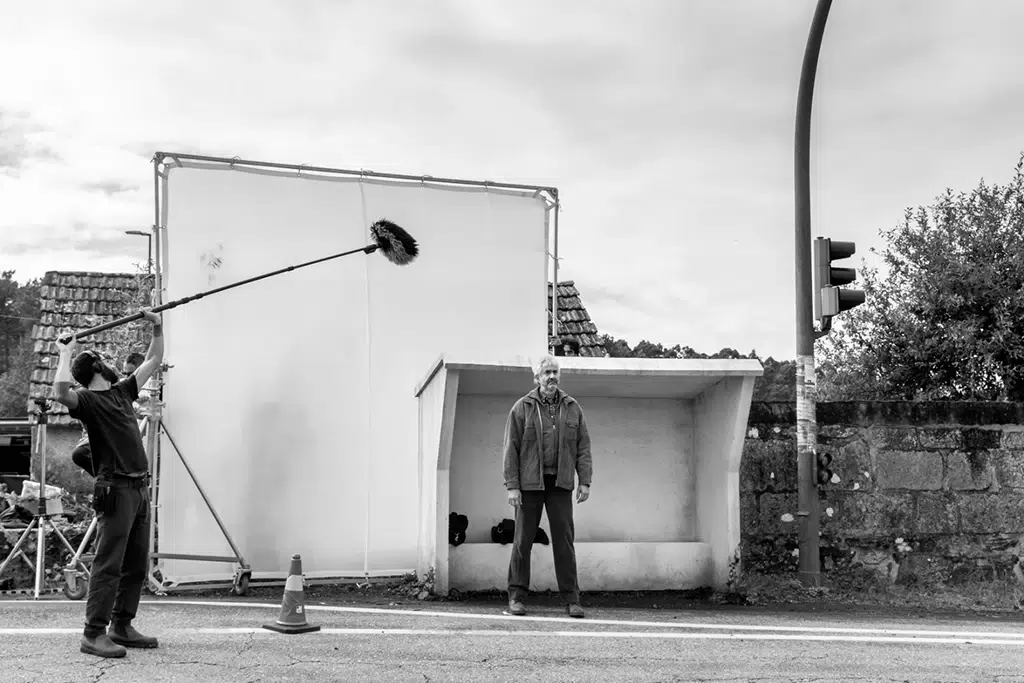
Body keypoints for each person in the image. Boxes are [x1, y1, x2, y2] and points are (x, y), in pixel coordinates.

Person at [53, 310, 164, 659]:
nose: (110, 363)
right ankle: (93, 633)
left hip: (139, 489)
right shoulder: (87, 400)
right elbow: (59, 392)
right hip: (115, 491)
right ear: (97, 368)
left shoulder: (122, 392)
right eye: (104, 360)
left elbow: (154, 359)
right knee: (109, 563)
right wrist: (66, 352)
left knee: (135, 564)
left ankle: (122, 625)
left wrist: (157, 325)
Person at [502, 355, 592, 618]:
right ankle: (517, 597)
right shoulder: (522, 407)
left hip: (560, 484)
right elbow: (511, 448)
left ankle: (572, 599)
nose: (552, 377)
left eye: (555, 372)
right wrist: (512, 486)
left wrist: (584, 480)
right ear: (537, 378)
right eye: (546, 373)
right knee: (522, 541)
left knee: (564, 541)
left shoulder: (572, 407)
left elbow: (583, 446)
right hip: (529, 485)